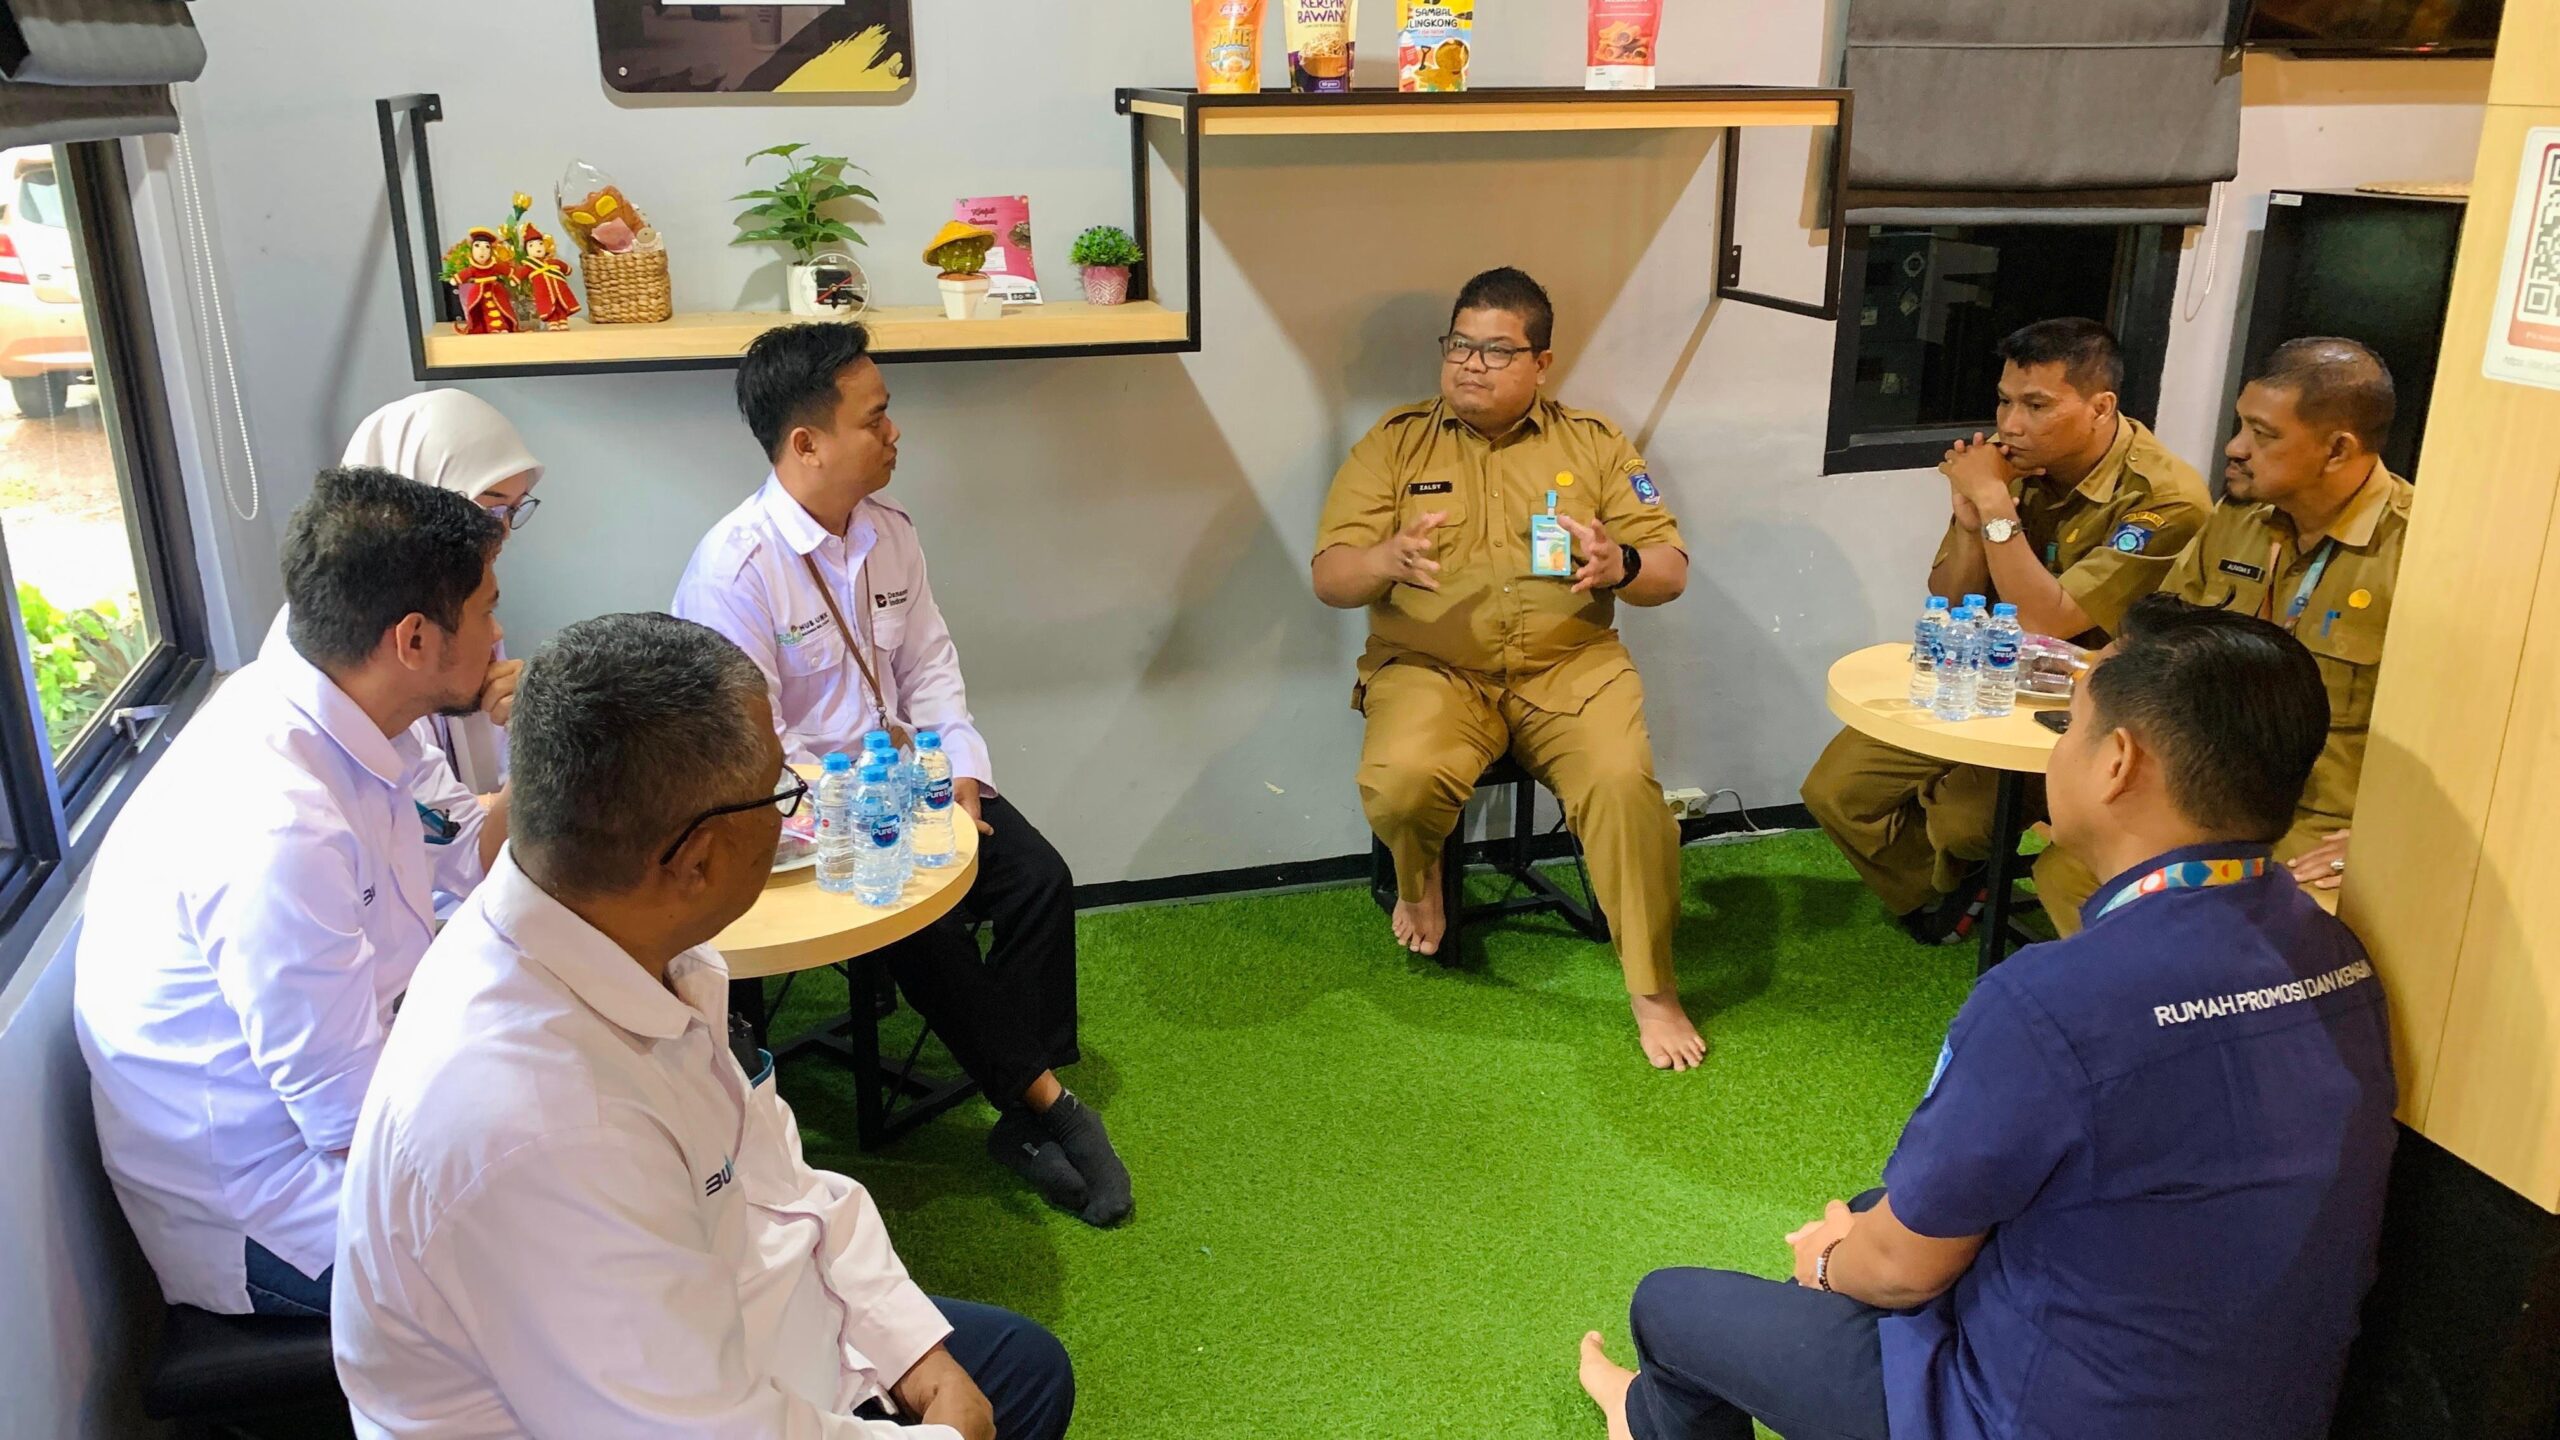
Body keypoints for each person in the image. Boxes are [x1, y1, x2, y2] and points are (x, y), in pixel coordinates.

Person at [1576, 595, 2397, 1440]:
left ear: (2117, 762)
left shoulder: (2052, 1001)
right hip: (2267, 1406)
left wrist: (1828, 1262)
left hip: (2034, 1417)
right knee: (1880, 1207)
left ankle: (1645, 1416)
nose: (2057, 747)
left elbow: (1899, 1271)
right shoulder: (2336, 951)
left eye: (2067, 724)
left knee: (1670, 1308)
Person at [334, 612, 1073, 1440]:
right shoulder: (539, 1123)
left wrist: (908, 1349)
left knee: (1028, 1370)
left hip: (740, 1317)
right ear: (698, 859)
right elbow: (705, 1428)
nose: (792, 814)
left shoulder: (632, 939)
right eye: (781, 792)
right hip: (686, 1400)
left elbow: (782, 1184)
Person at [672, 322, 1129, 1227]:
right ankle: (1045, 1106)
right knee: (920, 920)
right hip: (804, 817)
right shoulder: (735, 571)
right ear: (806, 443)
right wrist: (866, 799)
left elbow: (930, 671)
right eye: (875, 418)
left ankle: (1022, 1107)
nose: (895, 432)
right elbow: (748, 751)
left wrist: (962, 775)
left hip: (910, 784)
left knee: (1038, 879)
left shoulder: (890, 535)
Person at [73, 466, 507, 1316]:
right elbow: (351, 1129)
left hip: (366, 1105)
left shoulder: (355, 708)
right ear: (414, 640)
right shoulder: (276, 825)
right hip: (277, 1211)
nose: (498, 636)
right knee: (583, 1238)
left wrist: (566, 747)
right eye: (488, 610)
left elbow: (461, 849)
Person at [1312, 267, 1703, 1070]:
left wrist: (1621, 563)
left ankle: (1654, 990)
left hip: (1572, 669)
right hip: (1432, 670)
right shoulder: (1394, 444)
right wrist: (1384, 559)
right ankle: (1419, 877)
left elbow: (1669, 569)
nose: (1470, 364)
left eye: (1496, 350)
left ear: (1541, 363)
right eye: (1459, 345)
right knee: (1401, 780)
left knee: (1624, 790)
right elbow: (1330, 577)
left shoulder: (1594, 444)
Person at [1800, 318, 2209, 943]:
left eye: (2037, 406)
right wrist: (1972, 524)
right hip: (1989, 678)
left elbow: (2051, 620)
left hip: (2088, 713)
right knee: (1835, 790)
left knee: (1962, 824)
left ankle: (1960, 874)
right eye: (2004, 401)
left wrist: (1994, 503)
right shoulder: (2011, 466)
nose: (2011, 425)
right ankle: (1944, 891)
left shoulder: (2164, 499)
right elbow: (1949, 599)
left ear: (2101, 408)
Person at [2034, 337, 2412, 932]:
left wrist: (2384, 838)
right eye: (2241, 425)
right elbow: (2155, 643)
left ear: (2338, 449)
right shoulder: (2238, 520)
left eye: (2263, 434)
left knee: (2250, 920)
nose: (2235, 447)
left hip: (2322, 821)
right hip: (2208, 799)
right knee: (2069, 874)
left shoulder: (2416, 554)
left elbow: (2472, 741)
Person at [339, 388, 546, 794]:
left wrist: (529, 720)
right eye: (490, 508)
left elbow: (466, 812)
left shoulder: (468, 610)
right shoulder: (361, 659)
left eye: (514, 510)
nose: (502, 531)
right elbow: (431, 819)